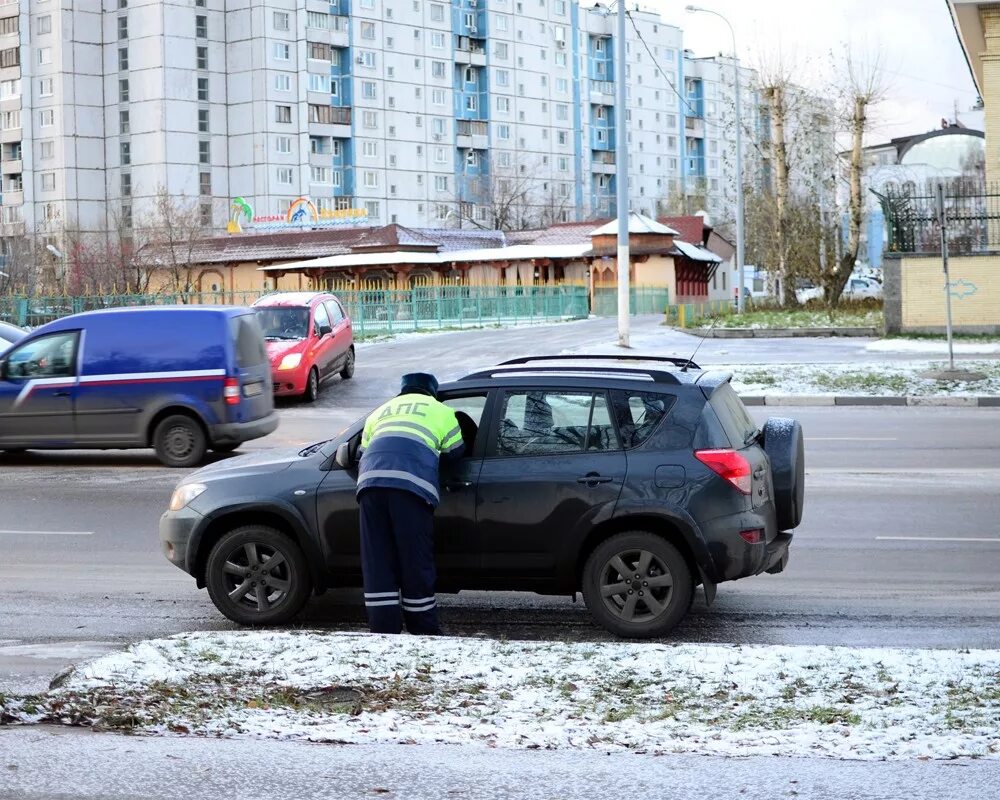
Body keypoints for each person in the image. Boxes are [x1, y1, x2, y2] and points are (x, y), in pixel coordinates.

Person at [355, 372, 464, 635]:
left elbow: (360, 453)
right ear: (432, 393)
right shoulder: (442, 412)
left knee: (377, 559)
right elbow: (456, 453)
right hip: (411, 487)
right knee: (415, 559)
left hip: (370, 485)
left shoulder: (380, 411)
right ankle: (423, 630)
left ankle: (384, 629)